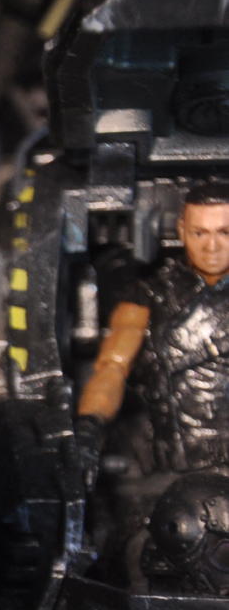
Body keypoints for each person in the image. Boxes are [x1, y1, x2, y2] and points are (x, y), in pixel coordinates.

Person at [78, 181, 229, 475]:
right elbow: (113, 368)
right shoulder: (149, 296)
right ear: (182, 231)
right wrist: (89, 425)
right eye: (200, 233)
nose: (212, 247)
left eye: (225, 233)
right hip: (174, 466)